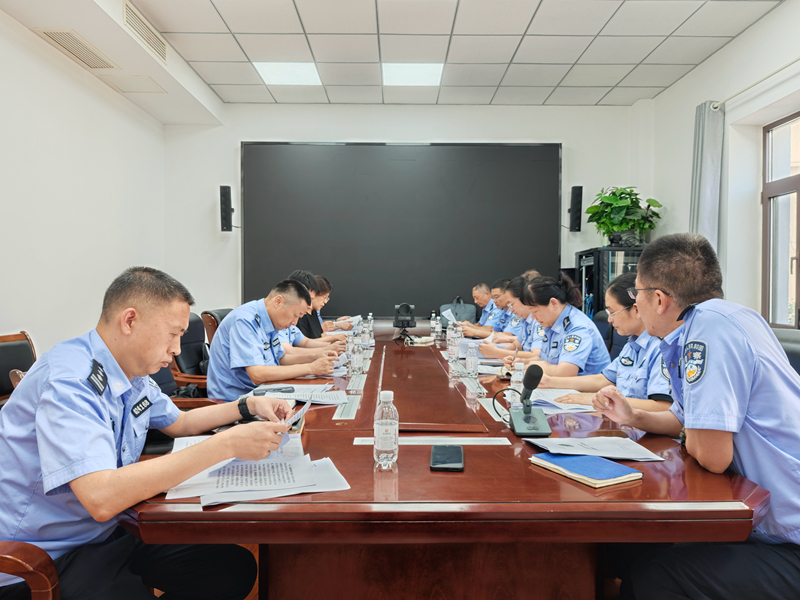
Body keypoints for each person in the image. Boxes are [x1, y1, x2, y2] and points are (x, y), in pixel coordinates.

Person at [0, 267, 293, 600]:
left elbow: (180, 423)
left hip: (104, 532)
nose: (177, 349)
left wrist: (248, 405)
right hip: (40, 557)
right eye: (173, 334)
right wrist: (226, 444)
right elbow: (101, 498)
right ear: (129, 321)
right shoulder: (70, 381)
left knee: (230, 569)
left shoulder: (131, 372)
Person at [592, 233, 800, 600]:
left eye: (636, 294)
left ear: (659, 299)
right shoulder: (725, 318)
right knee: (631, 548)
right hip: (764, 520)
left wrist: (693, 436)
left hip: (788, 540)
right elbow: (682, 418)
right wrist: (633, 415)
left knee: (656, 577)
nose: (635, 303)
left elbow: (714, 456)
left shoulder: (708, 332)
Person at [532, 272, 672, 411]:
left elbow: (664, 407)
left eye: (612, 312)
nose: (609, 319)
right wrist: (551, 382)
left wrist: (603, 400)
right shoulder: (632, 344)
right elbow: (604, 379)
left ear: (636, 310)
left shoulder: (661, 348)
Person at [207, 279, 335, 401]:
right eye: (295, 315)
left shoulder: (271, 320)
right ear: (278, 301)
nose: (294, 323)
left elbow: (281, 358)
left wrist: (316, 357)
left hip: (264, 390)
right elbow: (257, 374)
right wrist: (310, 368)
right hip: (237, 399)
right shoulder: (245, 320)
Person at [520, 272, 610, 376]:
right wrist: (523, 362)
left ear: (553, 303)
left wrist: (537, 367)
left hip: (581, 385)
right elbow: (546, 359)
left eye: (535, 311)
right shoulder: (552, 324)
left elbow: (566, 372)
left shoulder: (577, 327)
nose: (533, 317)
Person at [479, 276, 545, 362]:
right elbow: (515, 346)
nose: (510, 309)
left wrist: (497, 352)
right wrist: (490, 348)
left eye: (511, 304)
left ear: (523, 299)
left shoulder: (538, 321)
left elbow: (536, 355)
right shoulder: (525, 320)